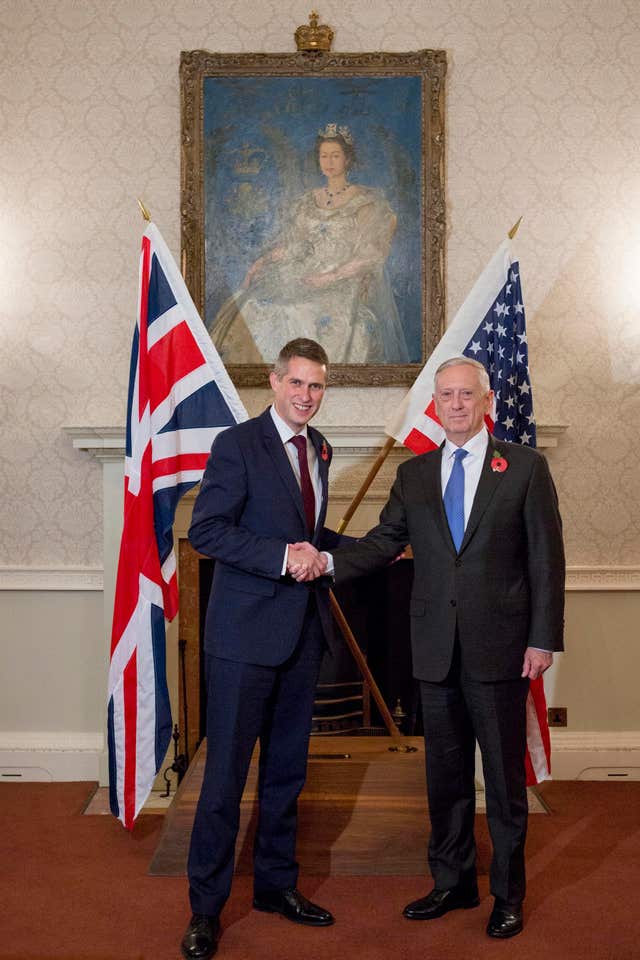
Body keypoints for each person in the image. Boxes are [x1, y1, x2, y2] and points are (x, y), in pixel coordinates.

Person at [293, 355, 565, 939]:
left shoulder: (523, 468)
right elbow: (385, 542)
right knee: (444, 776)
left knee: (502, 780)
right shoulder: (415, 476)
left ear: (487, 401)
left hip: (503, 647)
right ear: (435, 405)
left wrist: (543, 639)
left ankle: (508, 895)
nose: (458, 405)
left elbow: (546, 559)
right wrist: (326, 562)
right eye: (447, 396)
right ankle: (453, 881)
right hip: (435, 650)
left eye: (467, 395)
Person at [181, 338, 345, 960]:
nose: (306, 395)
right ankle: (204, 910)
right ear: (274, 383)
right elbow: (208, 530)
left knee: (285, 776)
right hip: (242, 642)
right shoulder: (237, 444)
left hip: (301, 638)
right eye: (297, 383)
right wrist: (284, 558)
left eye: (317, 386)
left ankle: (278, 887)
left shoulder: (320, 447)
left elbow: (308, 533)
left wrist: (367, 548)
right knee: (224, 781)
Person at [210, 124, 410, 364]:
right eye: (324, 155)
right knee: (251, 305)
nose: (329, 162)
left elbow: (370, 256)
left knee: (300, 311)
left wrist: (331, 276)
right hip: (303, 275)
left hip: (341, 283)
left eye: (335, 155)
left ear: (347, 159)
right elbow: (297, 246)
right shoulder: (307, 201)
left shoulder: (366, 202)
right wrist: (261, 262)